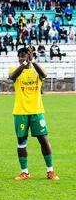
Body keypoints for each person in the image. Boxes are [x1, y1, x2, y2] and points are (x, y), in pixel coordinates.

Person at [8, 47, 59, 181]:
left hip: (37, 111)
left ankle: (50, 171)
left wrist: (33, 61)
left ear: (30, 56)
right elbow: (11, 77)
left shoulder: (36, 71)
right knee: (21, 143)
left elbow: (45, 75)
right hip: (20, 112)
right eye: (20, 56)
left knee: (44, 140)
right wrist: (25, 63)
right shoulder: (15, 71)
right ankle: (25, 172)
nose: (21, 58)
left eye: (24, 55)